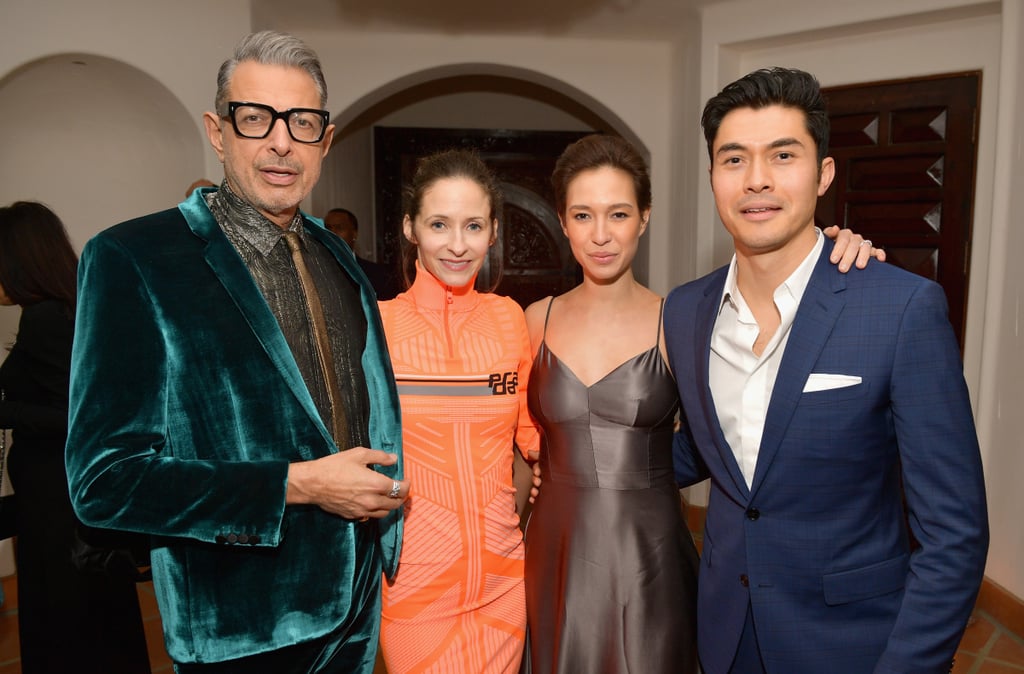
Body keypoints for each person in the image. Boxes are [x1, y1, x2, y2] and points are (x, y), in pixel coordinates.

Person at [65, 31, 409, 673]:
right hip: (242, 629)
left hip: (359, 608)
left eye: (302, 122)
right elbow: (103, 485)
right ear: (218, 133)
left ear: (324, 141)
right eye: (256, 119)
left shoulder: (341, 259)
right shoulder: (133, 259)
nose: (281, 141)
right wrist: (298, 485)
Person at [665, 67, 989, 673]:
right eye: (733, 160)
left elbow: (955, 537)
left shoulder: (899, 308)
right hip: (724, 634)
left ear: (824, 174)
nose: (756, 180)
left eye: (782, 155)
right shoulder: (686, 310)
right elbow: (704, 454)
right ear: (712, 176)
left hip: (849, 645)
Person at [520, 134, 878, 674]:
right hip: (552, 545)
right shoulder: (531, 319)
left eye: (618, 214)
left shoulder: (682, 319)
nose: (601, 235)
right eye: (582, 215)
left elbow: (732, 426)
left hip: (648, 554)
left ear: (643, 218)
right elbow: (500, 428)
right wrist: (531, 467)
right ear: (563, 221)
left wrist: (836, 248)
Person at [377, 149, 539, 673]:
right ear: (410, 228)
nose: (457, 244)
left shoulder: (509, 319)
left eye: (473, 226)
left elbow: (533, 434)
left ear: (493, 231)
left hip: (503, 582)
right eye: (439, 224)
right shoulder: (376, 327)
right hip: (413, 586)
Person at [0, 201, 151, 673]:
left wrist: (8, 410)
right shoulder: (74, 307)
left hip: (59, 507)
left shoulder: (45, 318)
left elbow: (88, 416)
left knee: (69, 629)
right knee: (97, 625)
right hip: (64, 500)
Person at [324, 207, 401, 300]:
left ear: (354, 233)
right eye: (328, 227)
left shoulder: (379, 275)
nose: (332, 233)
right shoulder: (316, 269)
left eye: (339, 227)